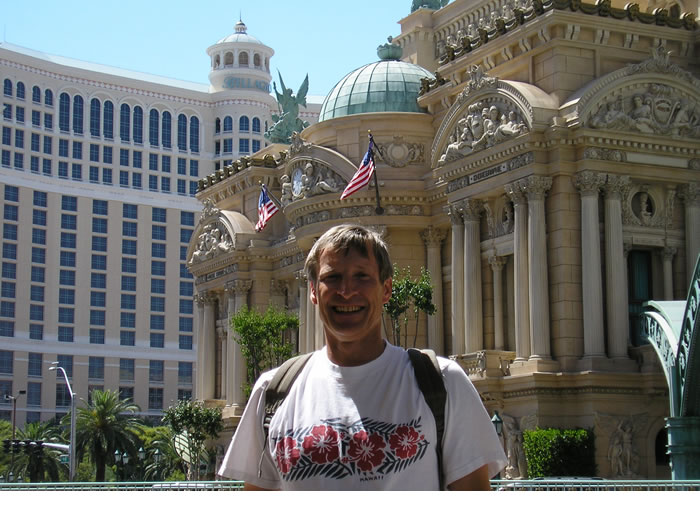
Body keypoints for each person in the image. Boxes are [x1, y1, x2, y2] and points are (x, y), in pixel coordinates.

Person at [218, 224, 506, 490]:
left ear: (386, 289)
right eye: (332, 277)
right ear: (313, 292)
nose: (346, 291)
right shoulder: (273, 392)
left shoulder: (442, 382)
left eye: (362, 276)